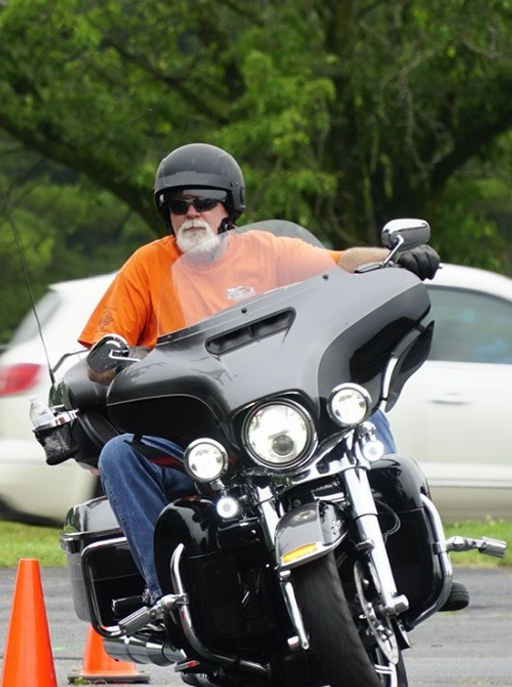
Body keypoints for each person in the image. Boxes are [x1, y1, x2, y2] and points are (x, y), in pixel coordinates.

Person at [79, 142, 440, 625]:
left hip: (276, 414)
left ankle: (405, 551)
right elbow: (101, 353)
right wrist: (112, 357)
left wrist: (397, 259)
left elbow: (341, 262)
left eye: (204, 202)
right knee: (119, 455)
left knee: (361, 406)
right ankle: (164, 597)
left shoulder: (266, 251)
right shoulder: (146, 266)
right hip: (201, 435)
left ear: (229, 206)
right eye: (178, 204)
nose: (192, 214)